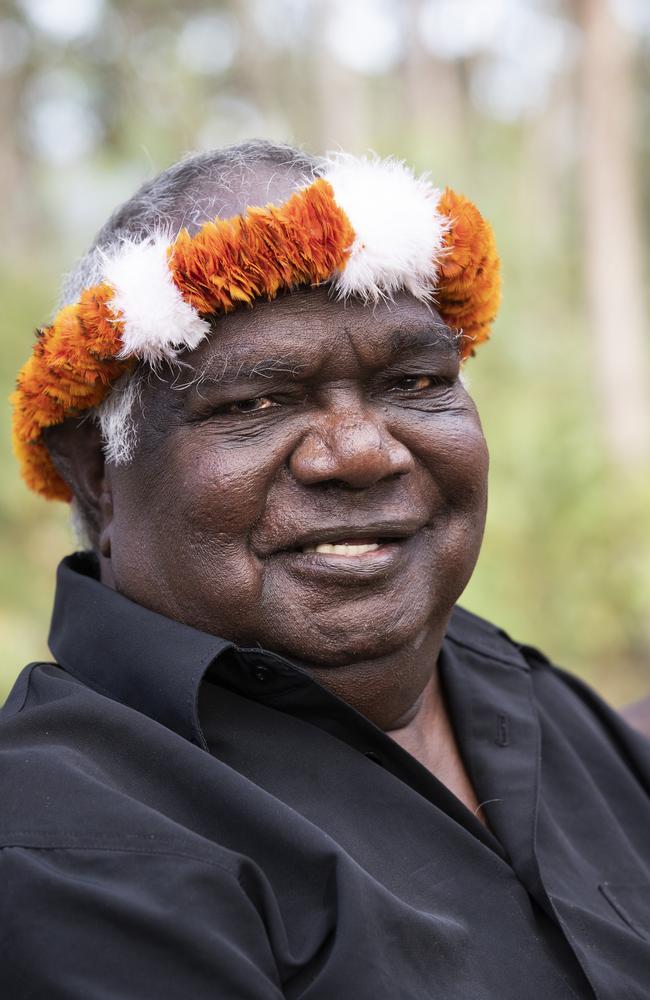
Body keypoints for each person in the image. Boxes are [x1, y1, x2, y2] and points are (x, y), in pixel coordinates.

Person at [2, 140, 649, 999]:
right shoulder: (62, 850)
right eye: (254, 402)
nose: (362, 451)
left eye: (417, 381)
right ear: (97, 472)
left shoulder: (514, 690)